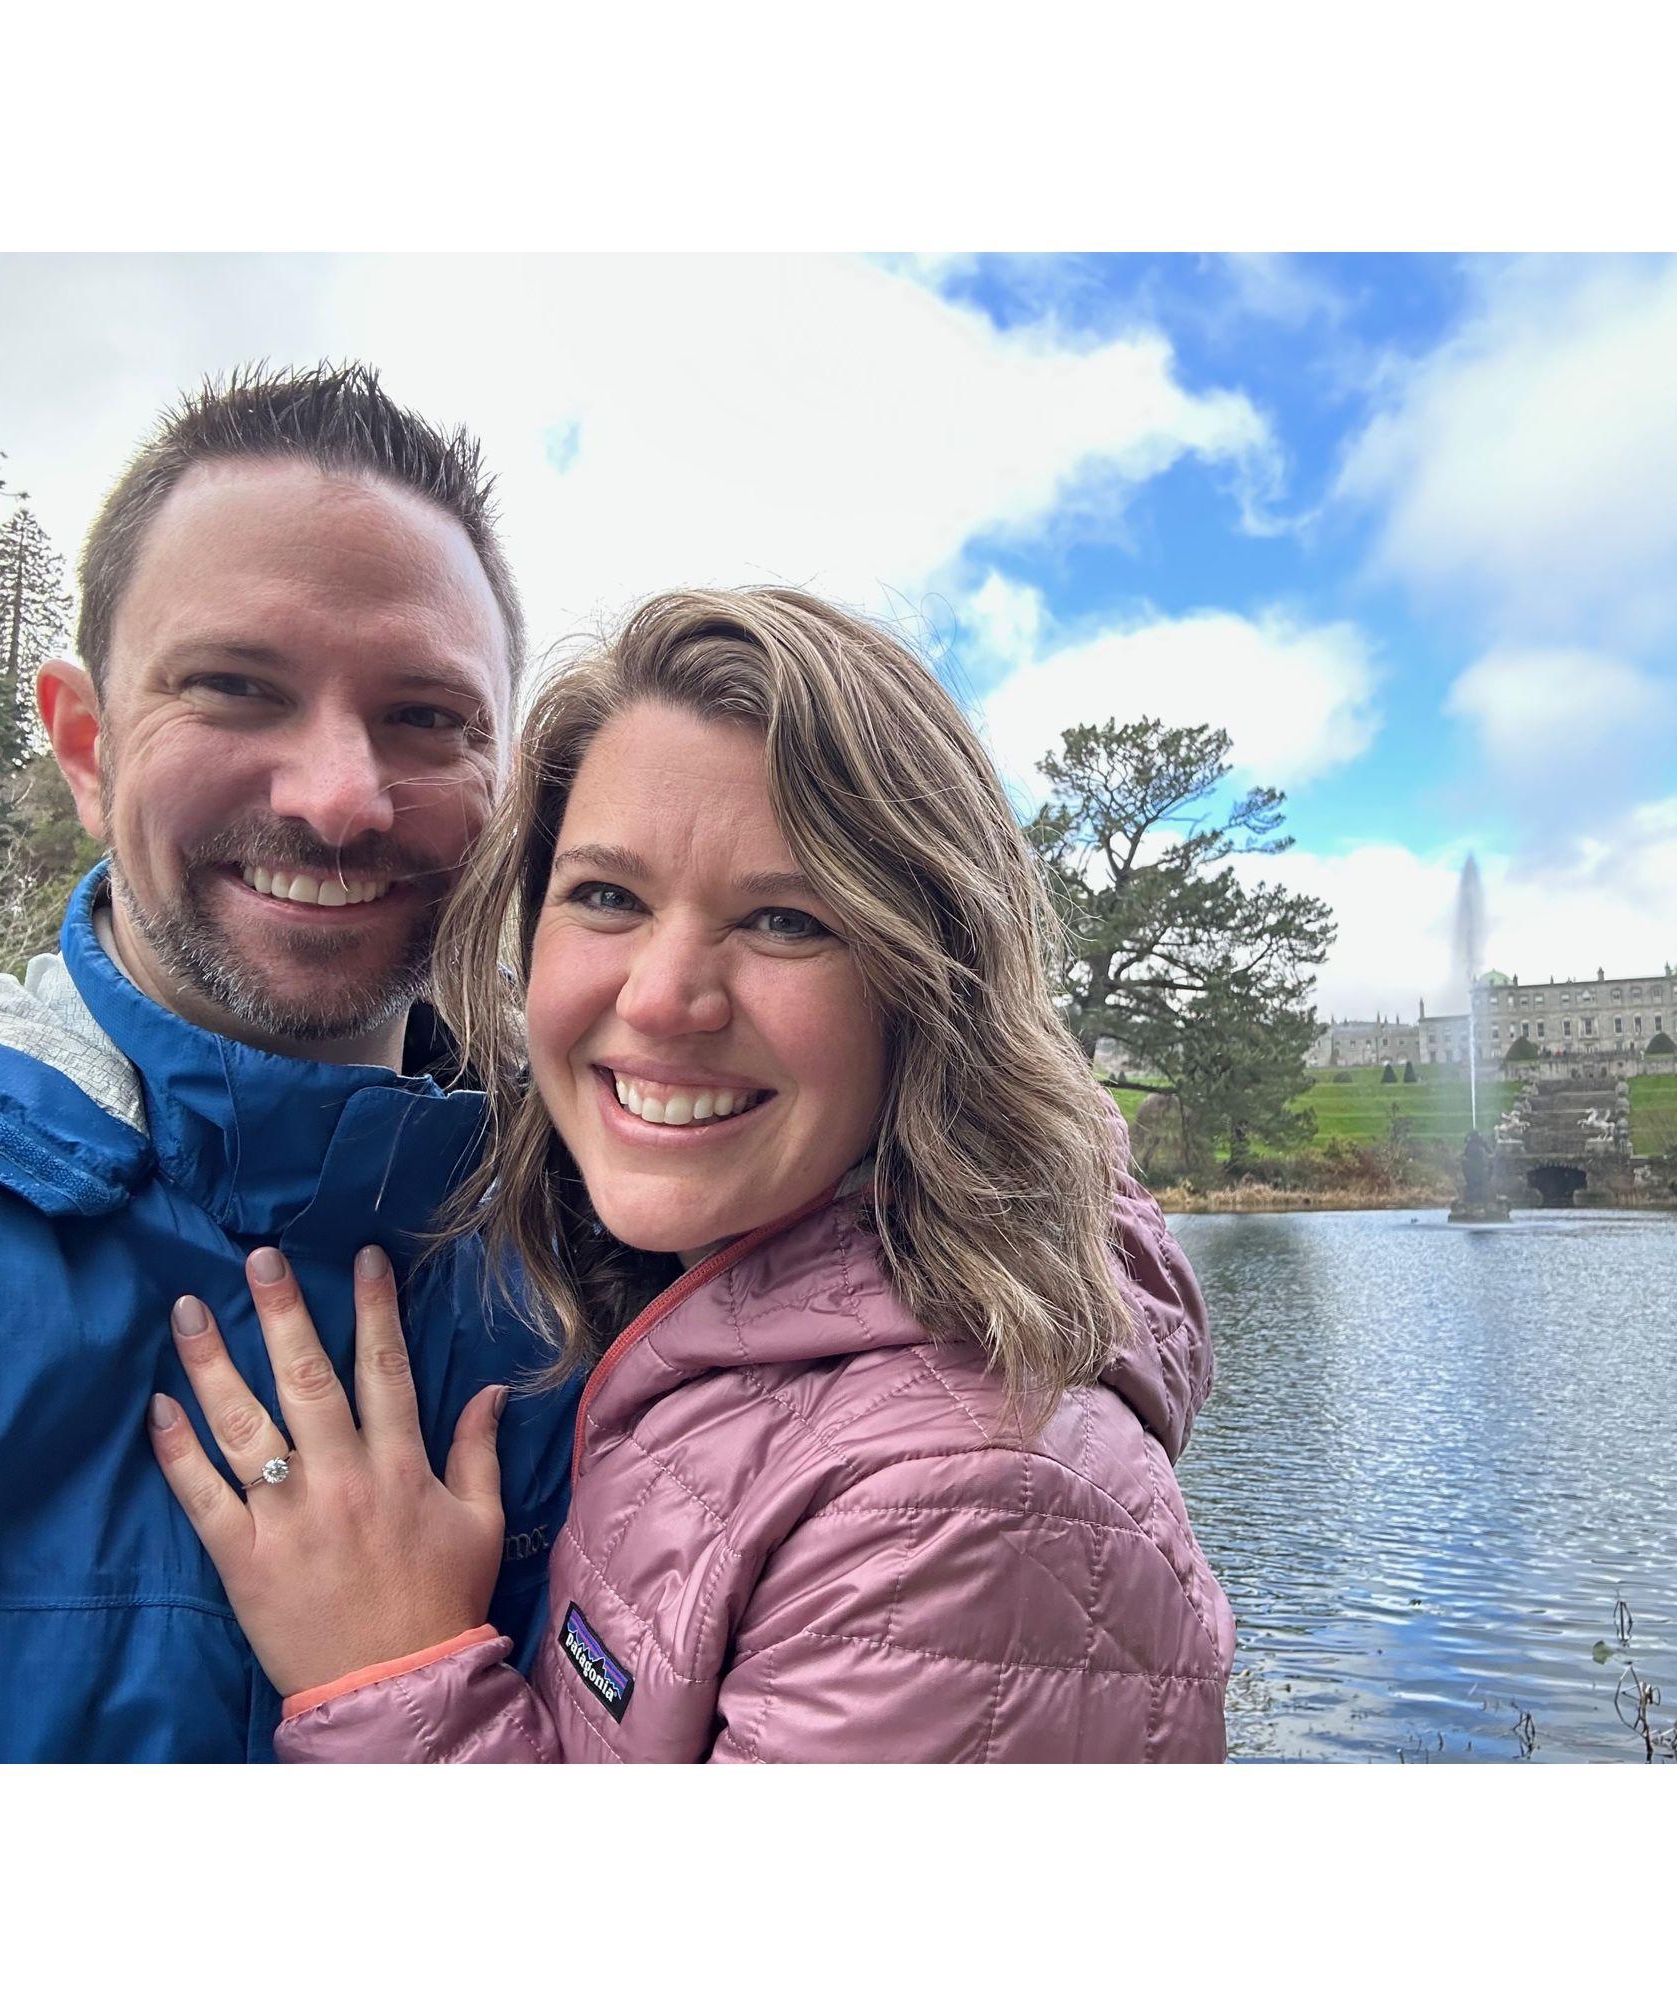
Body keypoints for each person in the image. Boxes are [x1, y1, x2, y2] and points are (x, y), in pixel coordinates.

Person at [150, 588, 1237, 1761]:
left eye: (785, 920)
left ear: (929, 987)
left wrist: (386, 1674)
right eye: (608, 897)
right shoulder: (685, 1297)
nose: (664, 996)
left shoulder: (974, 1506)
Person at [0, 364, 576, 1761]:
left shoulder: (617, 1235)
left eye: (427, 716)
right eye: (236, 689)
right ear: (84, 742)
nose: (340, 799)